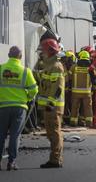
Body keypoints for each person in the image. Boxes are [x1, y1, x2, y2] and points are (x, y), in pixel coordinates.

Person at [0, 46, 38, 171]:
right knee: (15, 136)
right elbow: (34, 90)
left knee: (1, 135)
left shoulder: (1, 68)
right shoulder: (25, 71)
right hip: (19, 108)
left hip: (3, 107)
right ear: (20, 57)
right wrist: (27, 97)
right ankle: (11, 162)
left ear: (9, 55)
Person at [38, 39, 65, 168]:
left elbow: (58, 88)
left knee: (54, 132)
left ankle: (55, 159)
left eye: (43, 50)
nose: (41, 52)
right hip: (49, 106)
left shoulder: (56, 66)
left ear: (49, 51)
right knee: (51, 133)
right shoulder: (48, 65)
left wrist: (51, 103)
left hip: (52, 106)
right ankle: (55, 158)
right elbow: (44, 81)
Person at [69, 51, 95, 127]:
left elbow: (69, 78)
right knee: (88, 108)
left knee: (75, 107)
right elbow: (95, 78)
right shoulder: (91, 68)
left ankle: (73, 122)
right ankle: (89, 123)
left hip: (75, 92)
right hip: (87, 92)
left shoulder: (74, 67)